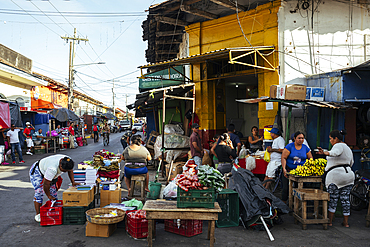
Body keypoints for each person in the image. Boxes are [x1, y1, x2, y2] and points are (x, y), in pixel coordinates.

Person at [317, 130, 354, 228]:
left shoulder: (338, 146)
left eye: (330, 139)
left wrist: (325, 153)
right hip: (349, 175)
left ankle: (330, 222)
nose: (330, 141)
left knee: (333, 199)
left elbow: (335, 153)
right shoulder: (347, 148)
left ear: (336, 139)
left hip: (336, 177)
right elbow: (351, 162)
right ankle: (346, 223)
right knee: (345, 200)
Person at [29, 155, 79, 222]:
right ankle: (38, 214)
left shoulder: (68, 161)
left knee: (54, 193)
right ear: (60, 165)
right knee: (39, 192)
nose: (65, 172)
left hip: (49, 173)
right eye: (64, 171)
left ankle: (54, 212)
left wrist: (73, 182)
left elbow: (70, 170)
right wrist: (48, 195)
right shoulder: (52, 169)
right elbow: (46, 184)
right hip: (37, 172)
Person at [281, 131, 313, 203]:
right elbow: (283, 157)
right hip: (289, 170)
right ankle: (283, 205)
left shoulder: (305, 148)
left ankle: (297, 204)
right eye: (299, 138)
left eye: (302, 138)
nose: (301, 140)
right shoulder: (289, 147)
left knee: (299, 189)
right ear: (294, 138)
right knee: (285, 189)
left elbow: (310, 158)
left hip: (301, 172)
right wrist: (284, 169)